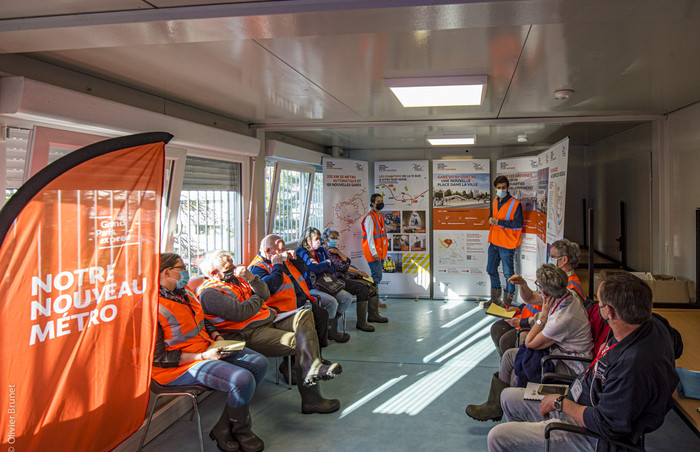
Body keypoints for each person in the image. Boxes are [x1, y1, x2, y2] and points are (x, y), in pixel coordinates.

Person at [487, 271, 683, 452]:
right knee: (507, 396)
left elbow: (606, 425)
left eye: (600, 304)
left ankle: (539, 437)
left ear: (611, 312)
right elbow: (678, 345)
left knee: (497, 437)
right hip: (581, 395)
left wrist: (560, 403)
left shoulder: (630, 366)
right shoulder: (654, 322)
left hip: (592, 431)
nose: (597, 308)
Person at [196, 250, 342, 414]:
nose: (234, 269)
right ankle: (312, 398)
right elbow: (241, 313)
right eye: (228, 268)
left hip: (268, 320)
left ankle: (313, 366)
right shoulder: (209, 293)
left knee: (305, 314)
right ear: (214, 273)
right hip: (246, 334)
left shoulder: (237, 280)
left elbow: (265, 292)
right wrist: (259, 297)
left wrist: (251, 279)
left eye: (233, 264)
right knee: (301, 342)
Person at [153, 253, 268, 452]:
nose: (186, 272)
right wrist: (203, 357)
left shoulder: (185, 293)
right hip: (180, 366)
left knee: (259, 362)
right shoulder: (152, 307)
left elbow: (202, 320)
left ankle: (224, 427)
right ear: (166, 272)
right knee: (242, 379)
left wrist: (216, 336)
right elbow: (159, 358)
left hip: (206, 348)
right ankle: (241, 430)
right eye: (182, 268)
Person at [466, 264, 592, 422]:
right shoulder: (567, 294)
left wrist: (542, 318)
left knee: (518, 365)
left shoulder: (561, 320)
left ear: (545, 291)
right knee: (509, 356)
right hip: (560, 353)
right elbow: (530, 299)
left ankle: (515, 412)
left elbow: (531, 343)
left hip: (571, 366)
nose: (537, 288)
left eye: (537, 285)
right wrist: (523, 285)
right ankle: (495, 406)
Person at [490, 238, 584, 355]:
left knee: (506, 341)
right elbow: (531, 298)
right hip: (528, 320)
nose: (550, 259)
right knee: (497, 328)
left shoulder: (568, 287)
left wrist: (523, 322)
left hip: (536, 326)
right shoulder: (554, 278)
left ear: (564, 260)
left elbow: (552, 319)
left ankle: (512, 368)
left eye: (552, 256)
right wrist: (521, 295)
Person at [321, 227, 387, 331]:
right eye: (332, 238)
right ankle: (361, 323)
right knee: (362, 289)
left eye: (336, 238)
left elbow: (347, 261)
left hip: (344, 276)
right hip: (335, 279)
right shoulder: (324, 251)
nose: (334, 240)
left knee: (372, 283)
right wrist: (359, 272)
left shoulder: (334, 250)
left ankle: (373, 315)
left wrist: (339, 253)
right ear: (325, 238)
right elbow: (341, 266)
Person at [293, 228, 353, 340]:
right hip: (311, 287)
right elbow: (312, 267)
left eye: (320, 238)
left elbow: (332, 268)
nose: (319, 241)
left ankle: (330, 325)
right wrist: (325, 263)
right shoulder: (301, 252)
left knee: (347, 298)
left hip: (326, 284)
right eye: (316, 239)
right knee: (332, 302)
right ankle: (328, 332)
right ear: (307, 240)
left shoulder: (320, 250)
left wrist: (321, 265)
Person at [484, 176, 523, 308]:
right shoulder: (495, 200)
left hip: (507, 244)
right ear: (495, 188)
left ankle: (507, 305)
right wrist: (490, 219)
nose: (501, 190)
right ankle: (495, 300)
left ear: (507, 188)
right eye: (499, 188)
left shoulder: (515, 204)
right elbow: (492, 215)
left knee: (508, 275)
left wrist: (498, 222)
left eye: (503, 188)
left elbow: (518, 224)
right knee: (490, 269)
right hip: (494, 242)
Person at [362, 193, 389, 286]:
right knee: (377, 276)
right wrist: (374, 252)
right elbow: (370, 237)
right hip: (373, 253)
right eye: (378, 201)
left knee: (377, 277)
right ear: (373, 203)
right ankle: (372, 298)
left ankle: (375, 299)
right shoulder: (370, 217)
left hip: (381, 252)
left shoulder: (381, 215)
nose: (380, 203)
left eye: (381, 201)